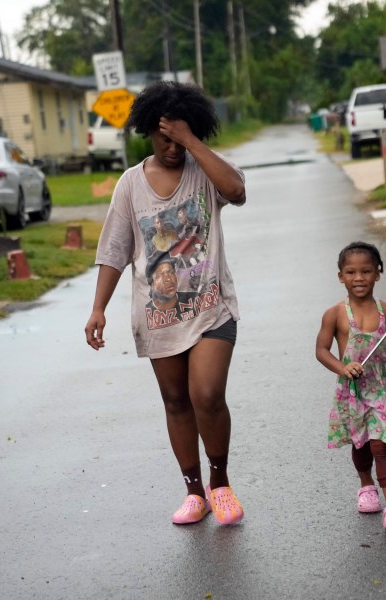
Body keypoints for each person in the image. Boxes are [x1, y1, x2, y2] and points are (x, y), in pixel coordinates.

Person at [84, 80, 246, 526]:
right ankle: (194, 492)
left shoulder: (204, 172)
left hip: (213, 308)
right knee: (176, 402)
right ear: (148, 132)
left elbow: (236, 190)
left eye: (181, 137)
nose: (173, 148)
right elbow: (114, 251)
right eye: (165, 138)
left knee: (207, 395)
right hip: (157, 317)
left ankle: (220, 483)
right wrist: (98, 309)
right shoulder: (130, 185)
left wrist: (191, 140)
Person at [315, 241, 386, 532]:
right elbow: (321, 350)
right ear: (340, 275)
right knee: (361, 442)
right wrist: (342, 367)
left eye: (366, 271)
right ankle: (366, 484)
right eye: (351, 272)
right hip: (353, 389)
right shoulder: (335, 314)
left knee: (381, 444)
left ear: (378, 274)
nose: (359, 278)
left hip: (382, 388)